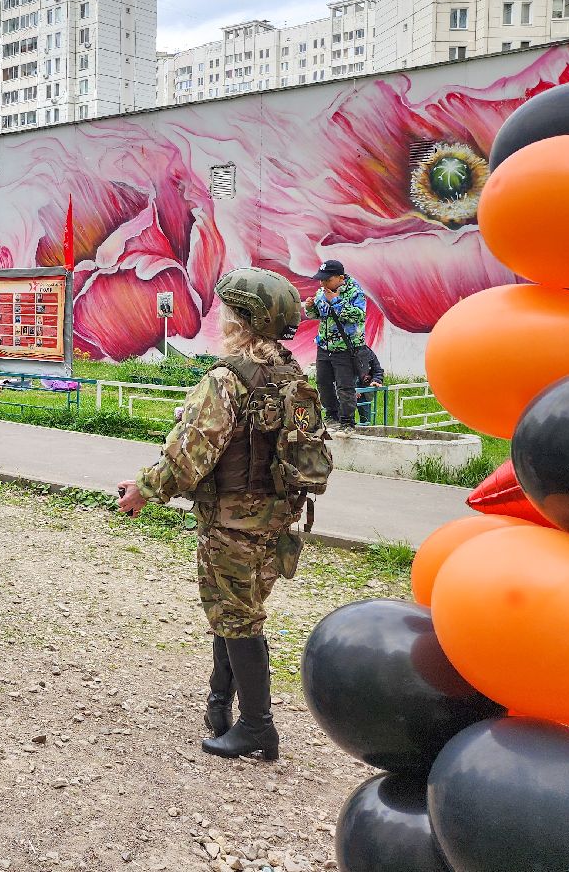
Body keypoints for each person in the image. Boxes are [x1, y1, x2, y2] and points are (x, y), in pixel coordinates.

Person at [118, 267, 330, 761]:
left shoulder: (226, 380)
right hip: (276, 520)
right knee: (235, 613)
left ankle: (258, 727)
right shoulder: (292, 376)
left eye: (228, 312)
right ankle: (220, 705)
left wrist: (144, 490)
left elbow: (188, 457)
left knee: (238, 619)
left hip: (233, 522)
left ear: (244, 320)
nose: (222, 320)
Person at [304, 258, 368, 432]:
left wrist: (336, 301)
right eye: (321, 279)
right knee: (323, 383)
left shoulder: (355, 292)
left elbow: (358, 316)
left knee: (345, 386)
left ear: (340, 278)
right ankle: (332, 416)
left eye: (327, 279)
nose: (323, 282)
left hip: (345, 349)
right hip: (324, 346)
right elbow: (317, 315)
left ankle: (347, 422)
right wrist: (310, 307)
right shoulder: (321, 292)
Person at [355, 343, 385, 426]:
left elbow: (377, 370)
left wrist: (376, 380)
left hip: (364, 390)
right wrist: (350, 389)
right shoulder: (339, 352)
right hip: (346, 392)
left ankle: (365, 432)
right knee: (346, 419)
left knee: (366, 420)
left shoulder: (366, 351)